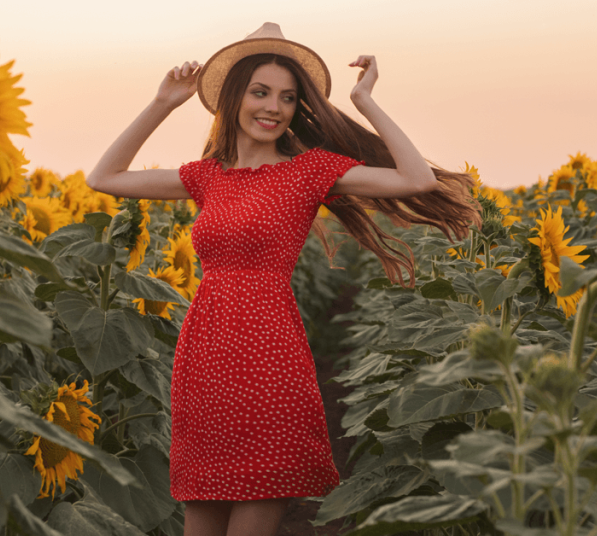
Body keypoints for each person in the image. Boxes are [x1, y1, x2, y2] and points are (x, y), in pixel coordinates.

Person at [86, 22, 479, 536]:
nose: (273, 107)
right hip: (204, 356)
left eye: (288, 98)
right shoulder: (207, 176)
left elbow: (415, 179)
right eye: (261, 92)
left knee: (258, 499)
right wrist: (164, 102)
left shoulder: (307, 171)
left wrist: (365, 101)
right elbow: (104, 177)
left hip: (270, 356)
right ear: (234, 98)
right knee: (199, 512)